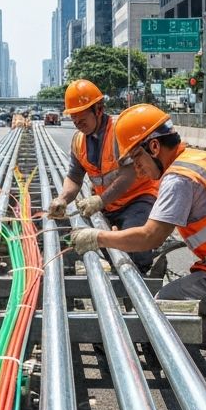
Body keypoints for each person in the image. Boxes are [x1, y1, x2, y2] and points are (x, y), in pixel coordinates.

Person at [68, 104, 206, 384]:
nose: (135, 169)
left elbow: (150, 236)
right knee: (171, 300)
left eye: (136, 158)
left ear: (153, 146)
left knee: (160, 308)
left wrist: (97, 237)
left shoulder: (178, 178)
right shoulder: (201, 159)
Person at [46, 79, 162, 272]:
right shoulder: (79, 141)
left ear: (98, 110)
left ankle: (142, 275)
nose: (78, 125)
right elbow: (74, 178)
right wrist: (63, 199)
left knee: (135, 249)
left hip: (137, 199)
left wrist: (99, 201)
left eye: (82, 120)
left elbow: (129, 173)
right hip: (109, 204)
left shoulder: (119, 131)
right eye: (74, 120)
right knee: (108, 247)